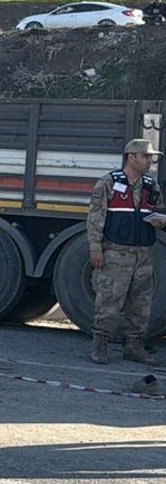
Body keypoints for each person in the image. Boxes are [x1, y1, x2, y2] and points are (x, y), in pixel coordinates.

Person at [85, 138, 165, 365]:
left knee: (141, 304)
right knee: (109, 301)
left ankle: (134, 347)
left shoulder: (151, 185)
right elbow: (96, 218)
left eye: (151, 157)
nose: (150, 161)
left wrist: (160, 221)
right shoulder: (108, 183)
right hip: (116, 252)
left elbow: (155, 211)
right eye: (146, 156)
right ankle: (100, 346)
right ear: (132, 157)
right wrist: (95, 249)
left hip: (144, 253)